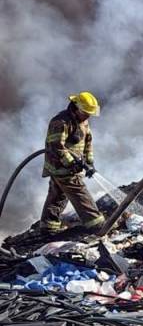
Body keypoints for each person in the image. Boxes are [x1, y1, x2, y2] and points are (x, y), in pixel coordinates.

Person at [40, 92, 104, 233]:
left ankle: (48, 226)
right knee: (79, 192)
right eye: (85, 112)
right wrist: (70, 163)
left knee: (57, 196)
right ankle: (96, 224)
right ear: (76, 107)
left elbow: (88, 143)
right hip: (60, 167)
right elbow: (56, 146)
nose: (88, 116)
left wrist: (90, 162)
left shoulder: (84, 121)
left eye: (90, 113)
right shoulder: (60, 122)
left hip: (70, 167)